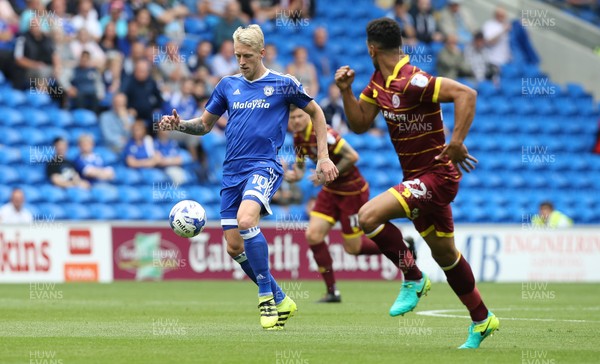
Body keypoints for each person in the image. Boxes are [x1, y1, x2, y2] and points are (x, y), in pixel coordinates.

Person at [159, 24, 338, 330]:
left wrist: (323, 156)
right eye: (237, 55)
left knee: (246, 221)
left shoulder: (284, 84)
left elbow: (317, 113)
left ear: (262, 53)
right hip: (231, 172)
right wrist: (179, 125)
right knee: (232, 246)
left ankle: (266, 297)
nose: (241, 61)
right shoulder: (227, 85)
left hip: (263, 165)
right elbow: (203, 126)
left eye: (247, 55)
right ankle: (282, 298)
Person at [334, 18, 498, 349]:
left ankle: (412, 277)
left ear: (371, 49)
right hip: (416, 180)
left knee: (367, 217)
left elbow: (467, 93)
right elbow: (361, 123)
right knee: (446, 255)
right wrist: (346, 91)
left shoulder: (413, 80)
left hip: (437, 177)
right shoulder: (379, 82)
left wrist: (456, 141)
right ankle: (482, 319)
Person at [285, 105, 382, 302]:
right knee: (313, 235)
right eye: (292, 117)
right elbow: (301, 170)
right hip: (330, 192)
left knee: (353, 249)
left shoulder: (325, 133)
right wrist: (291, 176)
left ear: (309, 115)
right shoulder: (298, 138)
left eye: (299, 116)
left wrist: (327, 175)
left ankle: (401, 245)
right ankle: (332, 291)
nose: (295, 121)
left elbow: (353, 156)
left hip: (352, 192)